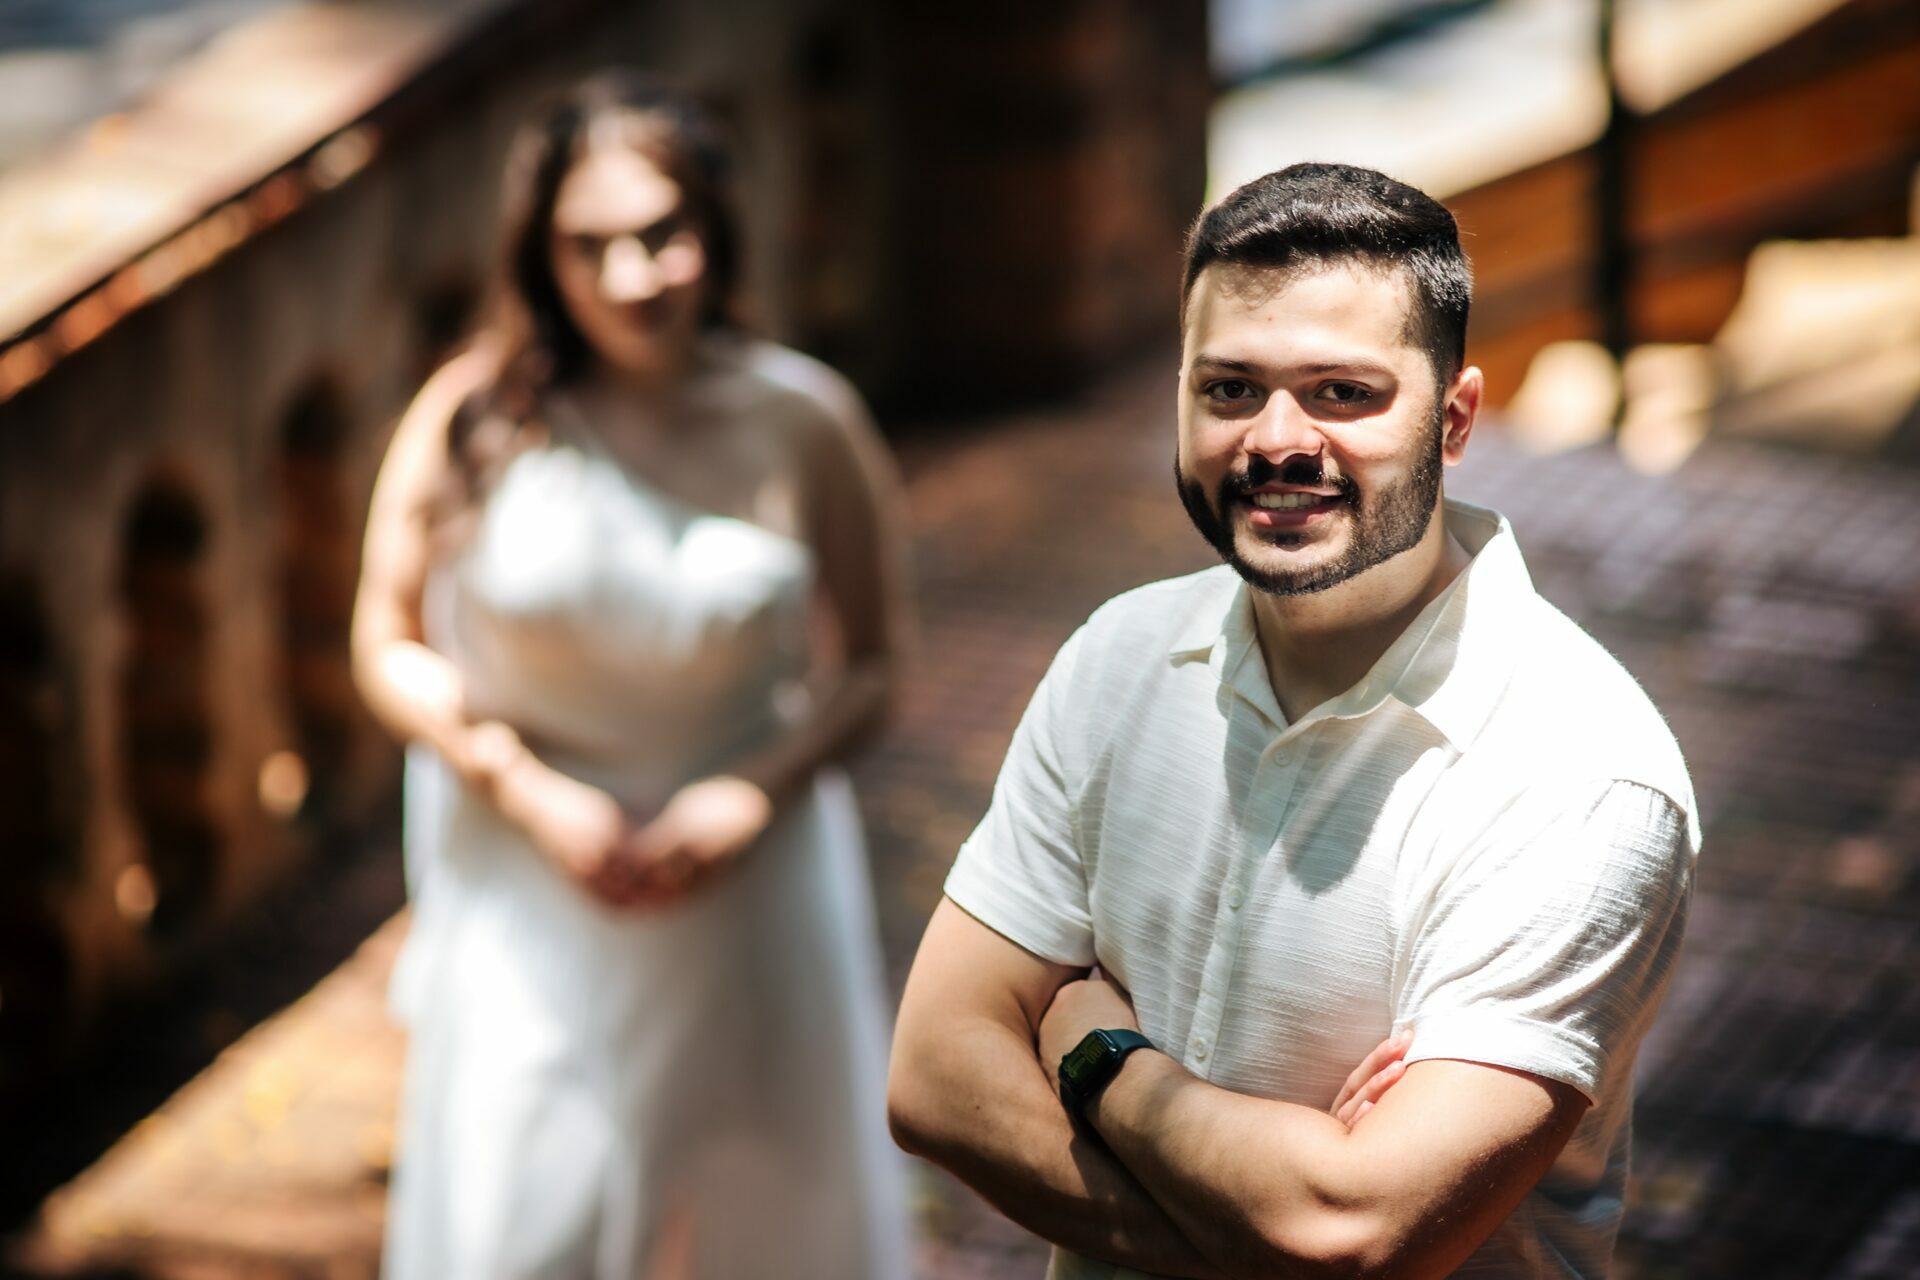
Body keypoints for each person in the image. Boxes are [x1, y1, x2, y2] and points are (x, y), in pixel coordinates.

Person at [888, 162, 1699, 1279]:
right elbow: (934, 1076)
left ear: (1455, 418)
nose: (1276, 439)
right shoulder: (1118, 656)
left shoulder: (1581, 777)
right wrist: (1270, 1228)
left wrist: (1096, 1049)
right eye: (1230, 389)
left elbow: (1352, 1231)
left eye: (1342, 393)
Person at [352, 74, 911, 1279]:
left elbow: (872, 666)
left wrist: (754, 792)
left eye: (662, 233)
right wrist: (519, 783)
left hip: (750, 878)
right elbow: (385, 638)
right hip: (527, 872)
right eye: (588, 244)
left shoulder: (807, 421)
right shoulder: (472, 416)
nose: (630, 276)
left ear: (714, 230)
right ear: (539, 256)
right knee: (516, 1224)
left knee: (768, 1217)